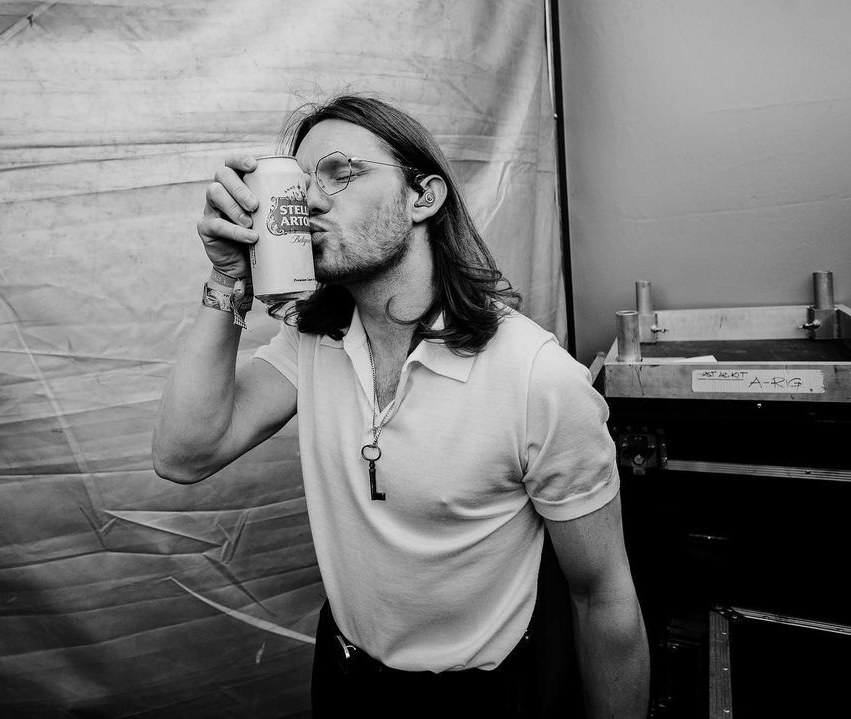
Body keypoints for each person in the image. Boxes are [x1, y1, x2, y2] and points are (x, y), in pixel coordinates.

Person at [152, 94, 649, 717]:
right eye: (299, 183)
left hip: (481, 697)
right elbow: (184, 455)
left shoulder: (538, 379)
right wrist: (227, 279)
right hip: (346, 676)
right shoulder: (313, 341)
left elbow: (602, 598)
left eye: (340, 172)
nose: (308, 201)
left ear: (424, 197)